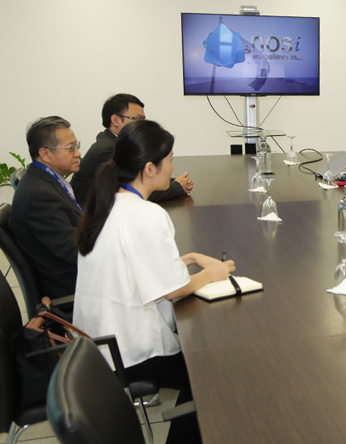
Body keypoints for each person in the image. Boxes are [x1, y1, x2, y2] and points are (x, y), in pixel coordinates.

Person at [73, 120, 234, 442]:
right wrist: (211, 274)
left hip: (96, 344)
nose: (173, 168)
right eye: (170, 160)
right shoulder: (146, 214)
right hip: (131, 352)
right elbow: (174, 290)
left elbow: (132, 265)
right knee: (212, 369)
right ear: (149, 168)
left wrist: (189, 258)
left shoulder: (107, 203)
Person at [70, 93, 193, 205]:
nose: (142, 125)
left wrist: (174, 181)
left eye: (143, 120)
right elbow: (137, 190)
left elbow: (141, 176)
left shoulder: (118, 143)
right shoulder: (108, 150)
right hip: (91, 216)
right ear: (115, 120)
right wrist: (177, 187)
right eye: (137, 119)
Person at [9, 116, 82, 299]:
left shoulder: (45, 180)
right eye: (70, 148)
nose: (78, 153)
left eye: (76, 146)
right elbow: (73, 250)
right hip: (74, 287)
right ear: (45, 154)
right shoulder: (39, 196)